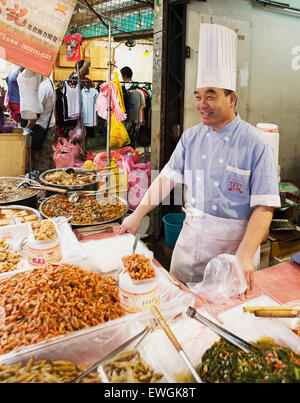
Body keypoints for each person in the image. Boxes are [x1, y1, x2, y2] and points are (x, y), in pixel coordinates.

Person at [116, 24, 280, 294]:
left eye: (211, 96)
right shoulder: (191, 138)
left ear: (232, 99)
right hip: (190, 246)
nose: (202, 104)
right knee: (179, 307)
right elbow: (167, 178)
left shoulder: (256, 143)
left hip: (234, 252)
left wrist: (244, 255)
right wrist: (137, 215)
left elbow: (264, 208)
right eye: (198, 97)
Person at [28, 76, 56, 172]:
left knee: (41, 158)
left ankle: (44, 180)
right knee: (48, 155)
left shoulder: (43, 88)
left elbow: (36, 113)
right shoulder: (49, 82)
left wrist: (28, 127)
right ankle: (51, 175)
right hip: (49, 124)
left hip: (43, 127)